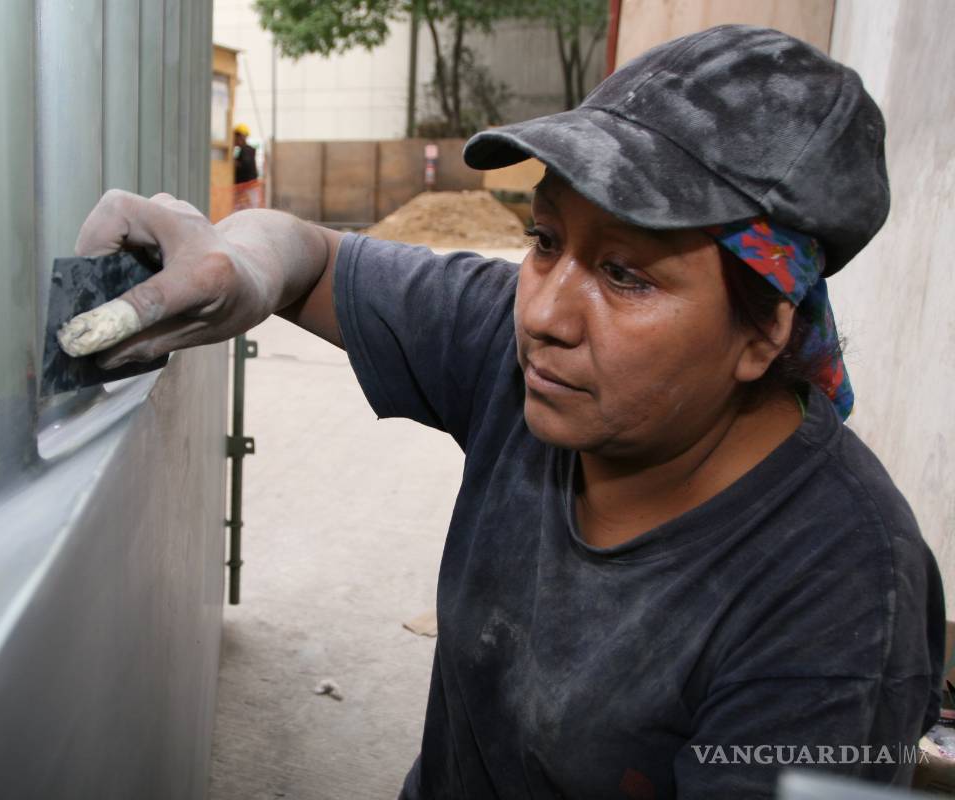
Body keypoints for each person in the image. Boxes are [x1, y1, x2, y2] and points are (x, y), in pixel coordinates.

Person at [61, 26, 944, 799]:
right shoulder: (522, 352)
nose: (544, 315)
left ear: (765, 330)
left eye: (627, 274)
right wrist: (239, 265)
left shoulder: (845, 611)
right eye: (547, 241)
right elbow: (313, 255)